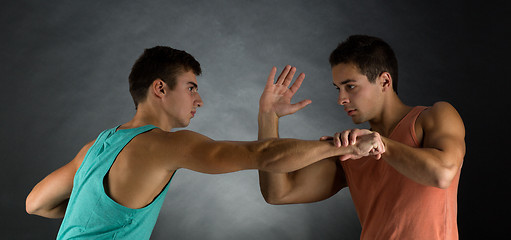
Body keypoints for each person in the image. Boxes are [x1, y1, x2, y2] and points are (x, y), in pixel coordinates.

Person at [25, 46, 384, 239]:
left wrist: (97, 218)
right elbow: (261, 155)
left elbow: (35, 203)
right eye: (192, 88)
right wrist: (347, 146)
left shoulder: (96, 147)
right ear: (160, 89)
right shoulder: (162, 145)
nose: (199, 101)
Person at [258, 35, 466, 239]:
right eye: (338, 89)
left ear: (384, 81)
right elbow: (278, 193)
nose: (341, 99)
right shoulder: (352, 150)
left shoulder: (435, 116)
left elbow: (443, 173)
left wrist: (380, 144)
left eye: (350, 86)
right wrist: (268, 117)